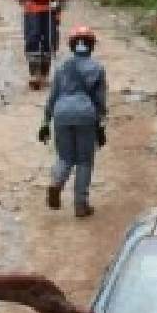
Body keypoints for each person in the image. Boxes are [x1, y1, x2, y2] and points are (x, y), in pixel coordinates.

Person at [39, 26, 108, 218]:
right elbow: (100, 101)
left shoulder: (62, 67)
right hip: (86, 115)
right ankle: (80, 205)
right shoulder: (97, 68)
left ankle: (56, 183)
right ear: (91, 45)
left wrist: (45, 122)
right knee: (84, 161)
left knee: (65, 157)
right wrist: (101, 125)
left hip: (61, 114)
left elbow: (52, 97)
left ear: (71, 45)